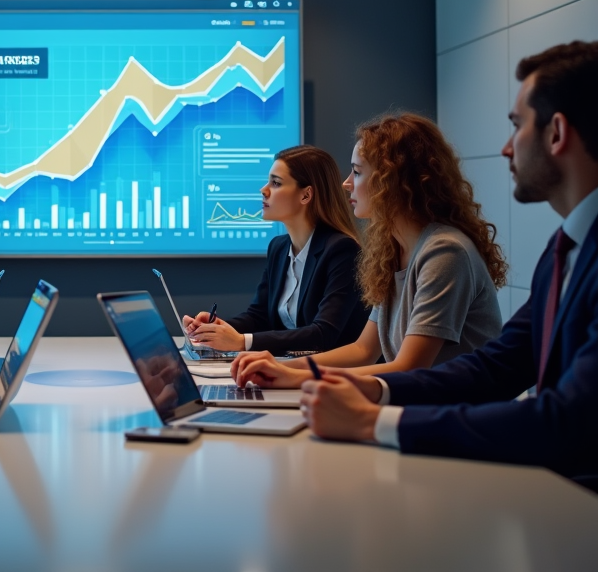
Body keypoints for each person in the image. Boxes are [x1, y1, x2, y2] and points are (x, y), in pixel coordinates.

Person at [297, 42, 598, 484]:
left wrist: (372, 420)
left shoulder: (448, 249)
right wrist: (374, 389)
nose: (505, 149)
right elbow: (493, 368)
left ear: (556, 133)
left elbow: (567, 419)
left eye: (517, 126)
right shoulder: (565, 248)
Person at [233, 113, 506, 389]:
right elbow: (363, 351)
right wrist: (277, 366)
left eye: (358, 172)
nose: (346, 183)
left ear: (393, 180)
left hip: (457, 417)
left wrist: (296, 376)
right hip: (420, 406)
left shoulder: (446, 252)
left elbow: (410, 367)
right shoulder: (392, 251)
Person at [183, 145, 369, 354]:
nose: (264, 190)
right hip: (291, 370)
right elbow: (259, 317)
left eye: (276, 183)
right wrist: (215, 329)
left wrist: (241, 341)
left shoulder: (343, 251)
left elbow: (323, 334)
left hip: (333, 377)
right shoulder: (278, 248)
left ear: (306, 195)